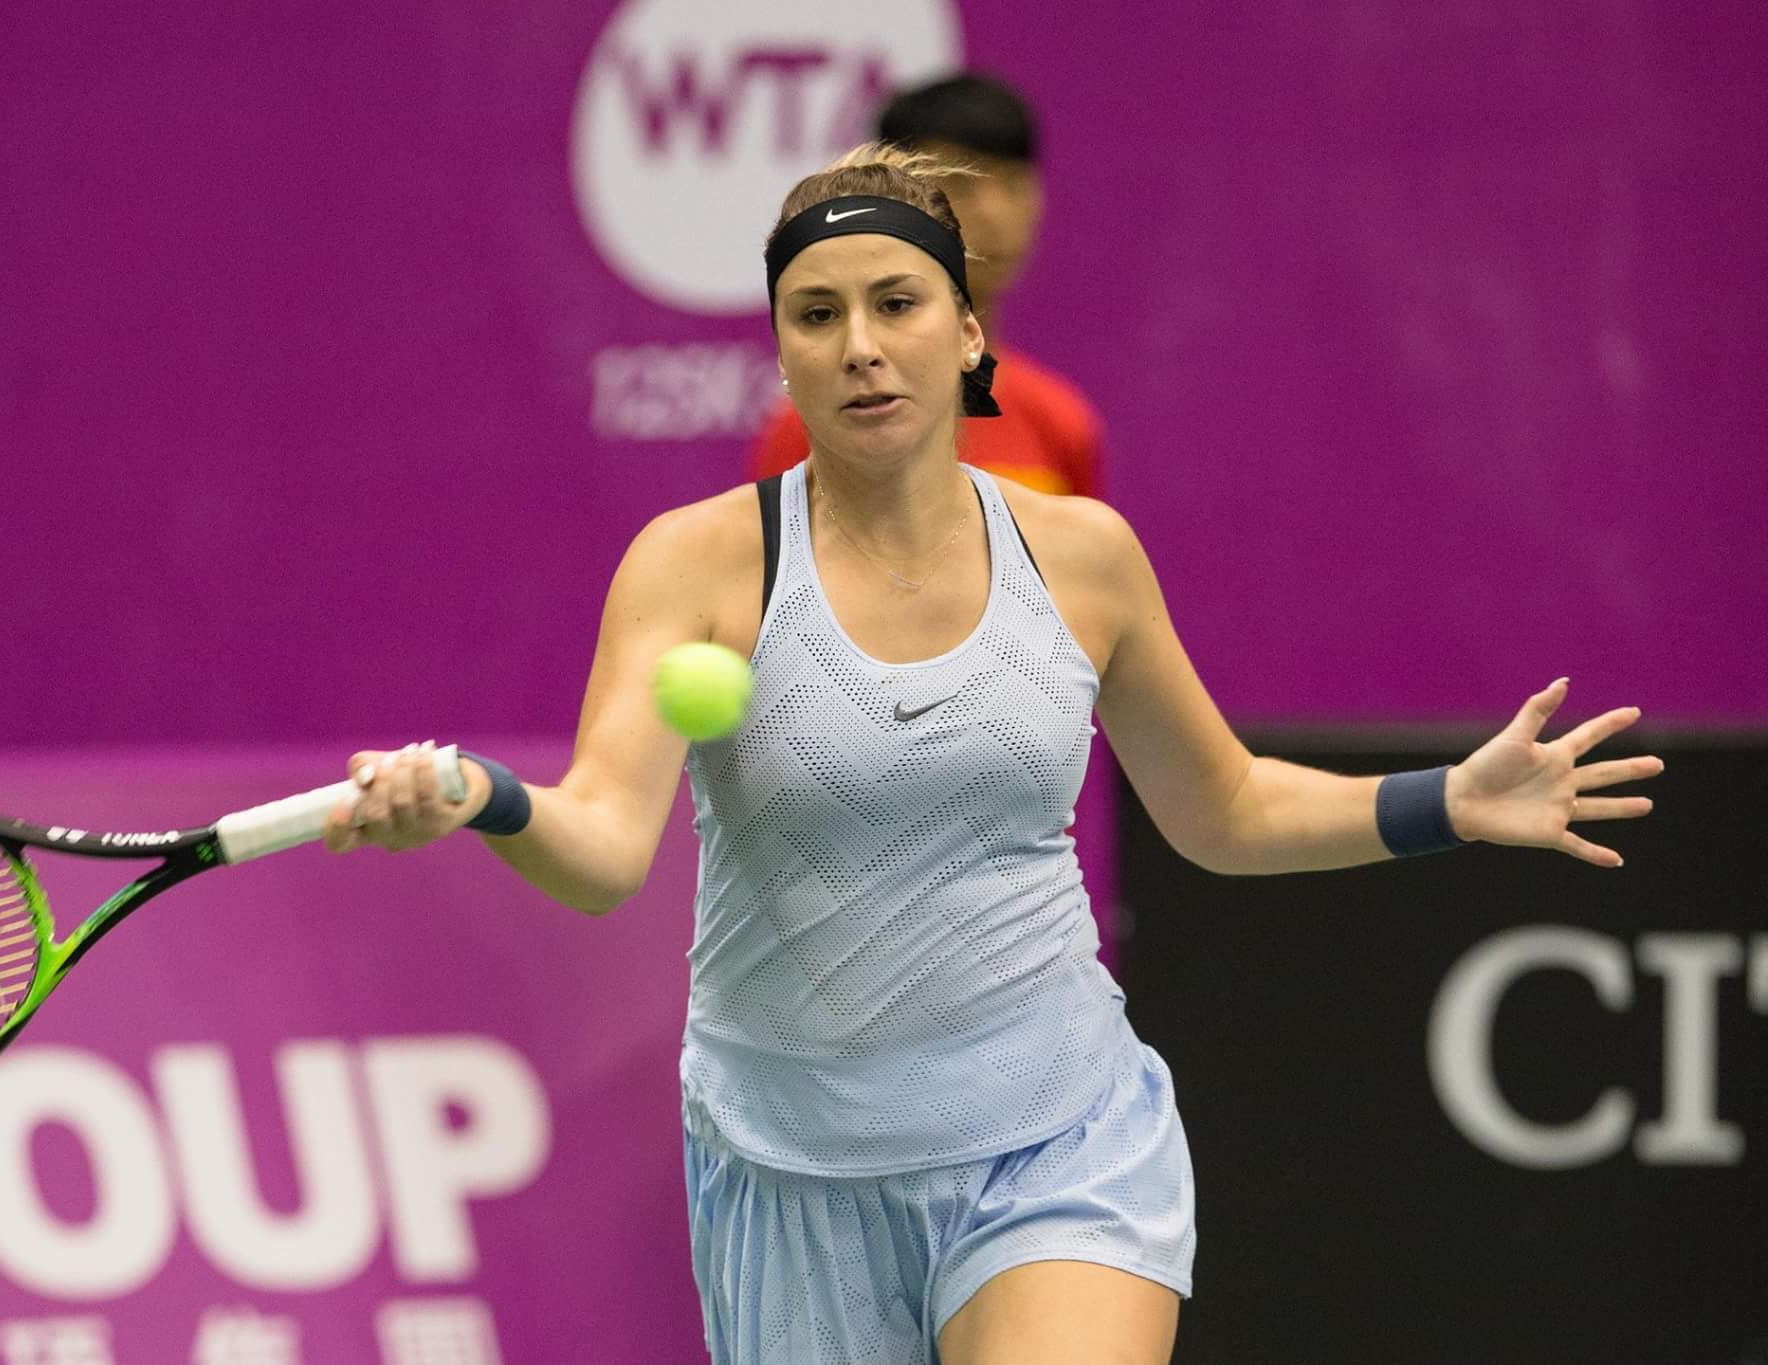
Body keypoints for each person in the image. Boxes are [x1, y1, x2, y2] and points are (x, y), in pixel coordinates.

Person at [325, 146, 1661, 1365]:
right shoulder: (694, 565)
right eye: (816, 315)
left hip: (1056, 1137)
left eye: (897, 303)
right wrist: (479, 797)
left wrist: (1446, 801)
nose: (860, 347)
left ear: (967, 331)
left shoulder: (1082, 558)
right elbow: (605, 848)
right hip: (792, 1173)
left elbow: (1222, 806)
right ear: (780, 352)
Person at [749, 74, 1105, 500]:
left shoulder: (1060, 422)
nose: (993, 212)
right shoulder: (810, 426)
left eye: (1013, 183)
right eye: (961, 183)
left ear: (969, 335)